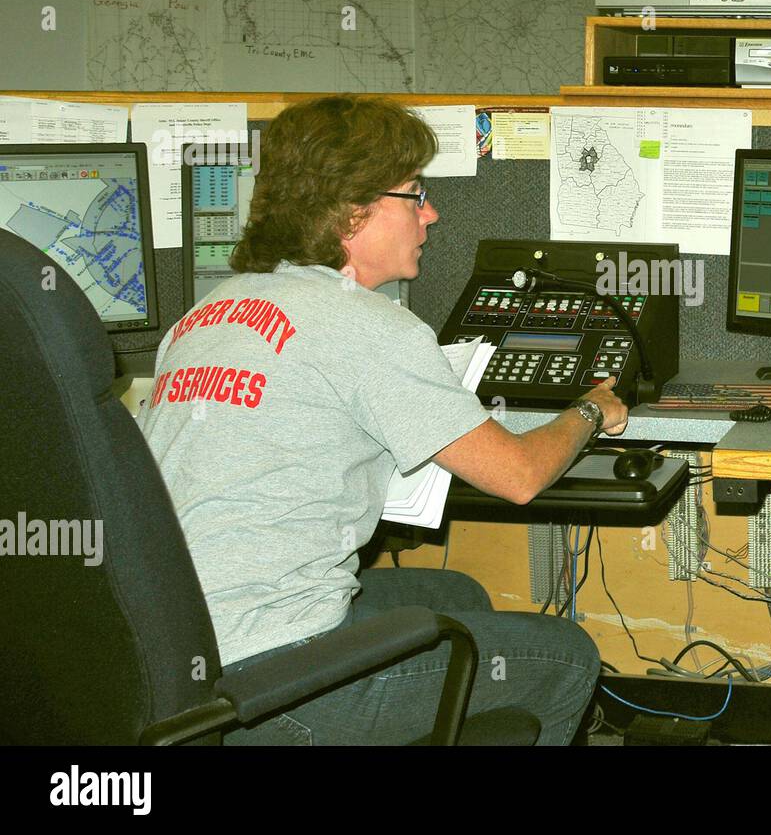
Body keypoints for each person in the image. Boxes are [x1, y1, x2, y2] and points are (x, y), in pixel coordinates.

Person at [138, 94, 627, 745]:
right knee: (567, 657)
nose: (431, 213)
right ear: (354, 210)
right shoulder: (365, 326)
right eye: (414, 194)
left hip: (167, 666)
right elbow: (518, 476)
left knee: (457, 598)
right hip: (269, 686)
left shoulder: (207, 314)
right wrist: (592, 410)